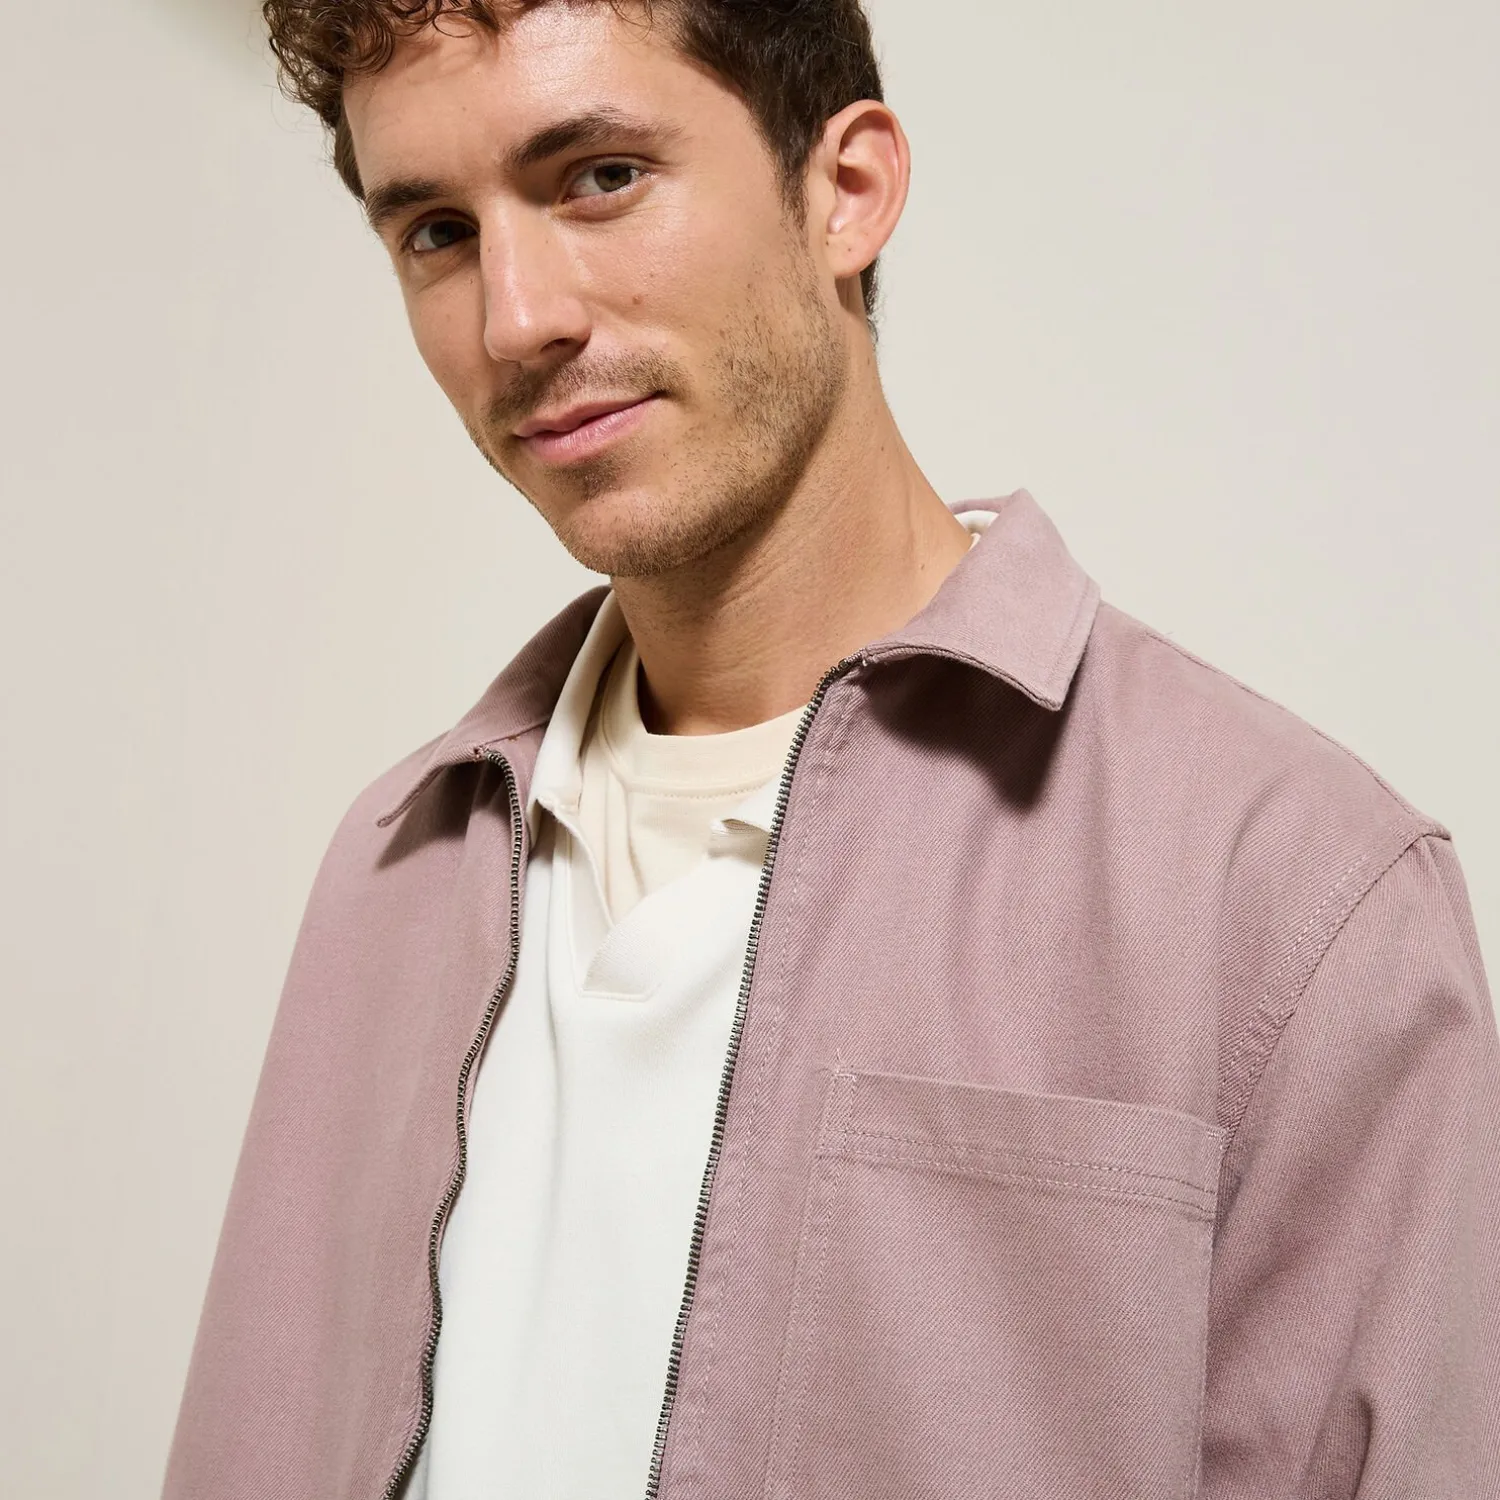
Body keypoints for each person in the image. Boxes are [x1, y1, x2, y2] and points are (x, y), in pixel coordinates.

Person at [163, 2, 1500, 1496]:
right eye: (436, 233)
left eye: (600, 176)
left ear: (845, 190)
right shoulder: (394, 868)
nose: (516, 320)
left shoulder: (1293, 891)